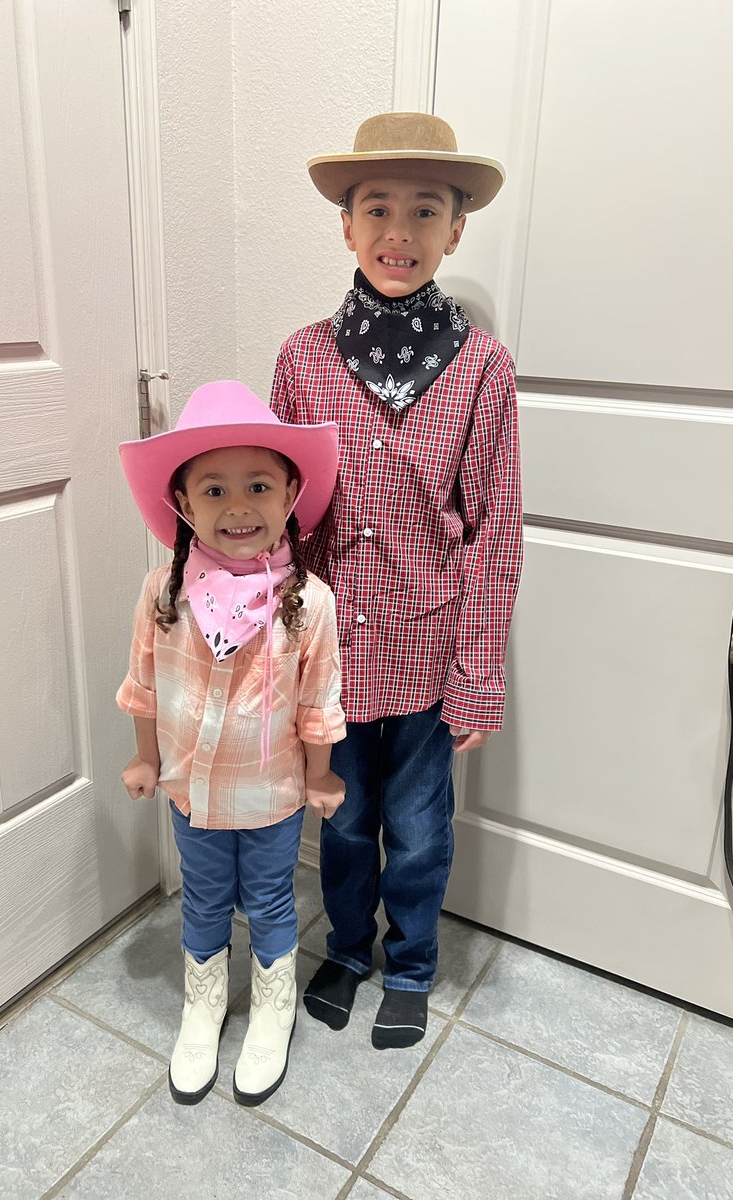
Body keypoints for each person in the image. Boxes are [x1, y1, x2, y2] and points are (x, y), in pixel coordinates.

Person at [271, 112, 523, 1049]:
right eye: (377, 208)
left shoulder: (483, 370)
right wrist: (271, 644)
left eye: (426, 211)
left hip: (427, 655)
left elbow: (496, 532)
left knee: (418, 829)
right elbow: (278, 519)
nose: (398, 232)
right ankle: (347, 949)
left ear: (455, 230)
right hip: (333, 660)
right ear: (345, 224)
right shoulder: (303, 359)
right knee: (340, 824)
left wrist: (479, 672)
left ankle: (411, 962)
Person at [116, 380, 346, 1106]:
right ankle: (205, 1000)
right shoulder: (164, 593)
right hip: (192, 791)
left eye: (257, 485)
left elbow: (317, 701)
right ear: (183, 505)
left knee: (273, 900)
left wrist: (320, 776)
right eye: (213, 490)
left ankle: (273, 1006)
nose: (238, 507)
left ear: (290, 496)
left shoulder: (308, 603)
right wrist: (145, 756)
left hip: (273, 795)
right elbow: (143, 686)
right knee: (205, 898)